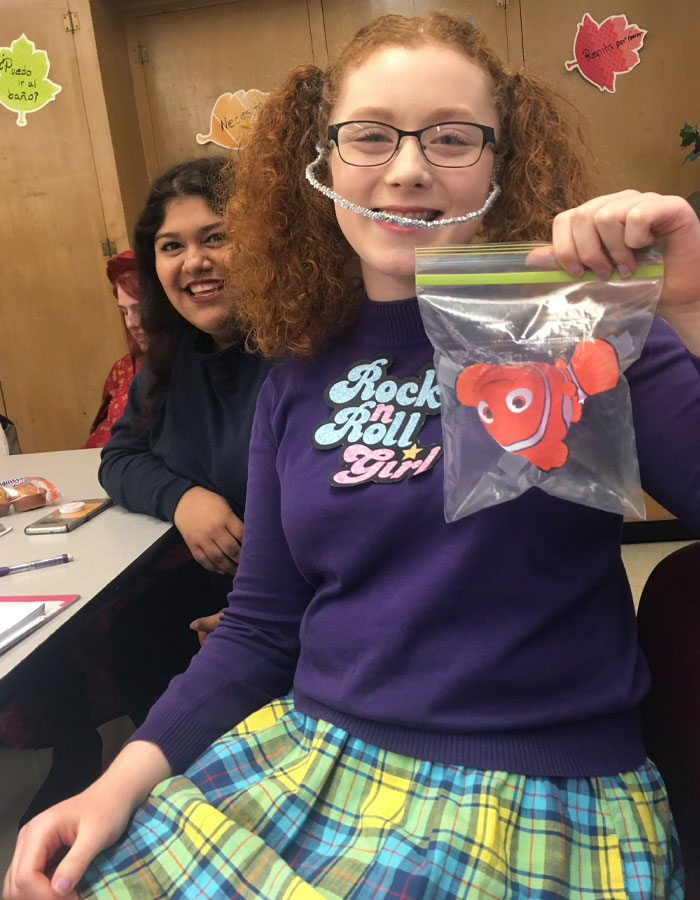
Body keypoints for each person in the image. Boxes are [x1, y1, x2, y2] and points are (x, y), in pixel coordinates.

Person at [5, 13, 700, 899]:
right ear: (323, 163)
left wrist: (683, 320)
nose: (408, 168)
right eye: (369, 135)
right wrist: (117, 778)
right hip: (313, 755)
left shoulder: (576, 321)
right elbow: (259, 628)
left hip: (540, 786)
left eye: (452, 137)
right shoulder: (296, 372)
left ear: (503, 162)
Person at [97, 155, 275, 723]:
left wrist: (269, 615)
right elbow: (120, 456)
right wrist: (182, 499)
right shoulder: (170, 359)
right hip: (219, 588)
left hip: (296, 598)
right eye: (171, 246)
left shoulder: (305, 354)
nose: (195, 262)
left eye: (217, 238)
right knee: (129, 634)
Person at [82, 250, 148, 449]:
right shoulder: (122, 369)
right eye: (125, 312)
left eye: (141, 310)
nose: (132, 323)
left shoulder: (199, 369)